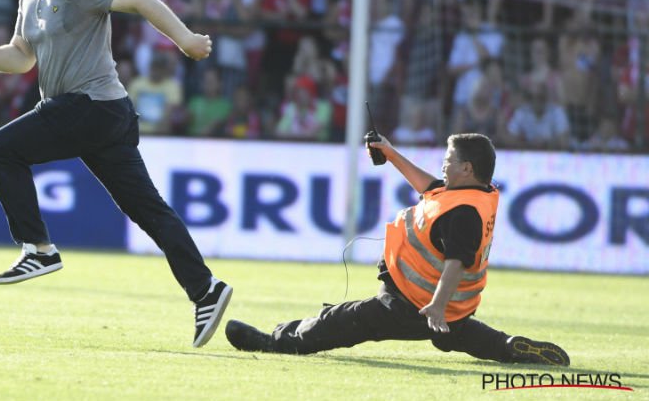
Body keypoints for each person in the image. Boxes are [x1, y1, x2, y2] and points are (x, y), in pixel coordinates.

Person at [0, 0, 231, 348]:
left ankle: (38, 249)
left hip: (89, 107)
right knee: (149, 211)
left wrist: (185, 40)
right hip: (102, 114)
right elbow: (22, 57)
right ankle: (205, 289)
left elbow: (143, 1)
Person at [225, 133, 570, 366]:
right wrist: (389, 153)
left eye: (448, 160)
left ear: (467, 168)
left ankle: (275, 341)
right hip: (450, 310)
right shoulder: (476, 195)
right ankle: (510, 348)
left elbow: (457, 263)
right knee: (454, 336)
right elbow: (428, 186)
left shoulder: (463, 212)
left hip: (413, 303)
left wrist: (435, 304)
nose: (443, 165)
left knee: (343, 320)